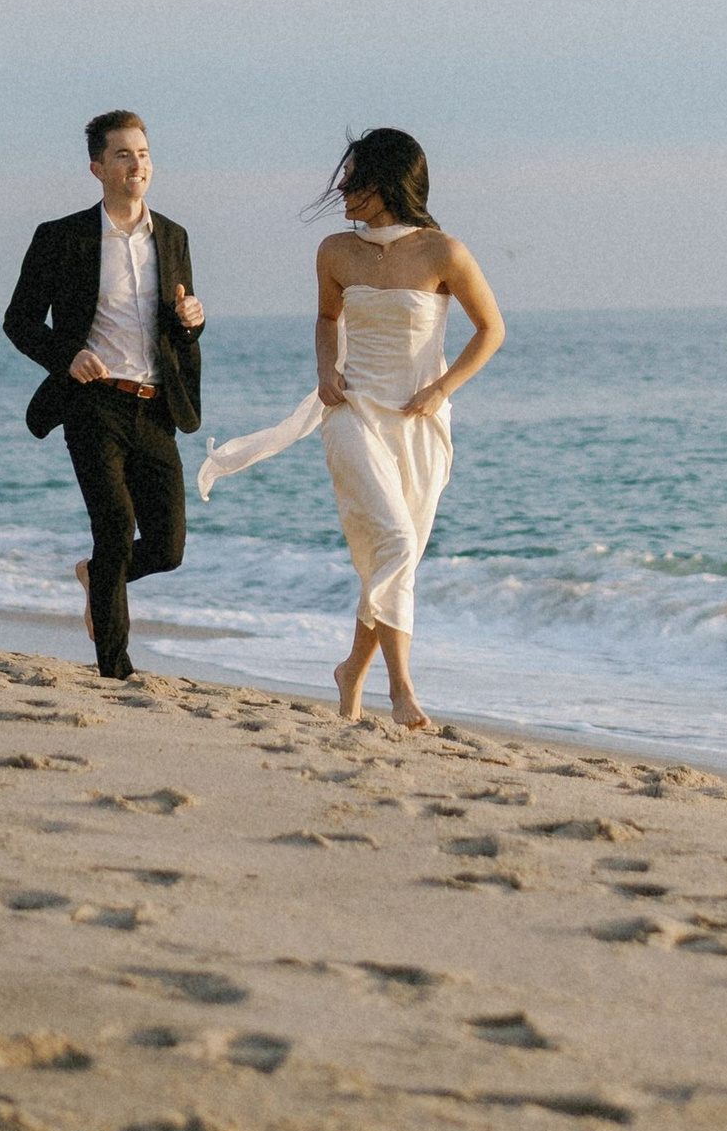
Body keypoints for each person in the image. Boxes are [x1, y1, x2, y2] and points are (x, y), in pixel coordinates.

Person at [198, 127, 502, 729]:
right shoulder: (336, 250)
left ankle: (350, 674)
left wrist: (441, 389)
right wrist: (324, 371)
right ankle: (402, 689)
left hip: (421, 424)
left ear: (387, 182)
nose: (341, 187)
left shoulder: (445, 252)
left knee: (391, 560)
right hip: (353, 412)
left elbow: (491, 330)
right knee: (394, 542)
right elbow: (325, 318)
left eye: (354, 176)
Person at [2, 110, 205, 681]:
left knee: (166, 548)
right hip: (91, 403)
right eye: (122, 154)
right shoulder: (60, 237)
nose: (136, 163)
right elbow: (19, 321)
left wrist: (192, 320)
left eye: (142, 153)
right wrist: (67, 355)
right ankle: (115, 671)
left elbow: (179, 322)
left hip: (153, 403)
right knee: (115, 528)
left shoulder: (173, 236)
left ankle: (97, 575)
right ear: (97, 168)